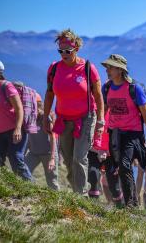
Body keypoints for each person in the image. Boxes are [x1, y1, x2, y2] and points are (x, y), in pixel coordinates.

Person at [43, 29, 104, 195]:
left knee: (79, 158)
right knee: (69, 161)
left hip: (86, 118)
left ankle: (82, 195)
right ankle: (76, 190)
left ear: (76, 48)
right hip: (63, 120)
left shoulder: (88, 68)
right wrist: (45, 115)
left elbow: (98, 96)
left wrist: (101, 120)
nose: (64, 54)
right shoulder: (54, 69)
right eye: (60, 51)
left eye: (67, 51)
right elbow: (49, 94)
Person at [101, 54, 146, 208]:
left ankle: (131, 204)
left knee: (125, 165)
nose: (107, 70)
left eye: (111, 67)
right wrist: (100, 127)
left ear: (120, 70)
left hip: (132, 133)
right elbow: (104, 109)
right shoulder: (107, 87)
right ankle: (126, 202)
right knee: (114, 167)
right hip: (114, 133)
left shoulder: (134, 88)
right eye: (107, 67)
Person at [0, 57, 32, 180]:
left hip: (13, 130)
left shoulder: (7, 86)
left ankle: (30, 186)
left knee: (16, 159)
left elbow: (19, 108)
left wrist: (18, 129)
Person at [25, 93, 59, 189]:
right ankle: (31, 191)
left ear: (37, 105)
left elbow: (53, 137)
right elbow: (28, 137)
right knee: (22, 171)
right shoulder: (28, 117)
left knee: (52, 181)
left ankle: (59, 203)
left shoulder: (46, 117)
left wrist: (52, 159)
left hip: (48, 153)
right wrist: (22, 153)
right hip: (34, 153)